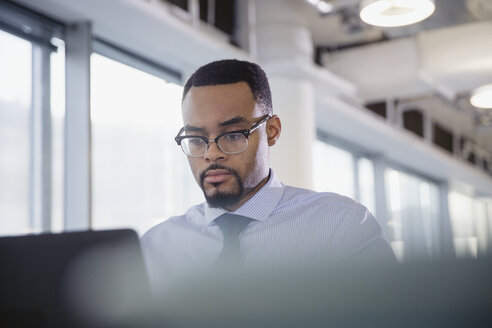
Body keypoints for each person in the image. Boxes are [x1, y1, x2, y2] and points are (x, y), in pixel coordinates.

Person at [141, 59, 395, 289]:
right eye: (196, 139)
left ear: (271, 131)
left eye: (232, 135)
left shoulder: (341, 226)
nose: (211, 154)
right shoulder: (155, 248)